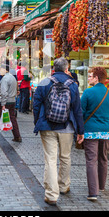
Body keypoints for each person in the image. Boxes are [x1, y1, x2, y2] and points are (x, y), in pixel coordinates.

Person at [32, 57, 84, 206]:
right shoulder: (73, 85)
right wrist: (80, 130)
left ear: (53, 69)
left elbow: (36, 105)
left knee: (50, 159)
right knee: (65, 157)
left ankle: (51, 194)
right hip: (67, 128)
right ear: (67, 69)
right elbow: (77, 110)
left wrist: (38, 122)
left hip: (47, 127)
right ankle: (63, 186)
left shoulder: (44, 83)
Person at [81, 67, 109, 202]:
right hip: (107, 131)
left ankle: (93, 192)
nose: (89, 78)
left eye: (90, 76)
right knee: (103, 158)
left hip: (91, 131)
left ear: (96, 78)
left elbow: (81, 112)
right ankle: (101, 186)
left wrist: (80, 131)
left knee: (91, 160)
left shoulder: (88, 93)